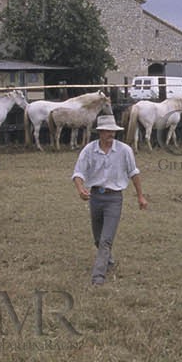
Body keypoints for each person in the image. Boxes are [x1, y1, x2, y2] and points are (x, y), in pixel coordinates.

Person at [71, 113, 148, 286]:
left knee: (106, 239)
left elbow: (134, 173)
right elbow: (78, 172)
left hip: (114, 199)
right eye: (107, 131)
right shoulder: (89, 150)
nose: (110, 134)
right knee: (98, 239)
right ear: (100, 132)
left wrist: (141, 197)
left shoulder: (124, 150)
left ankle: (98, 276)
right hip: (96, 197)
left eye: (113, 131)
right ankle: (109, 261)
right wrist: (80, 189)